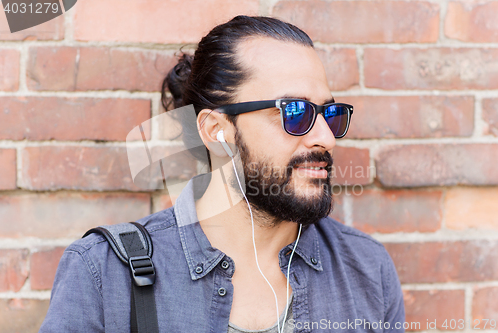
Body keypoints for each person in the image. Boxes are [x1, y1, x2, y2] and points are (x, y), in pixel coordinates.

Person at [40, 15, 405, 332]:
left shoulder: (366, 269)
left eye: (329, 113)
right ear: (217, 130)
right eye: (296, 112)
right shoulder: (103, 274)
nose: (326, 137)